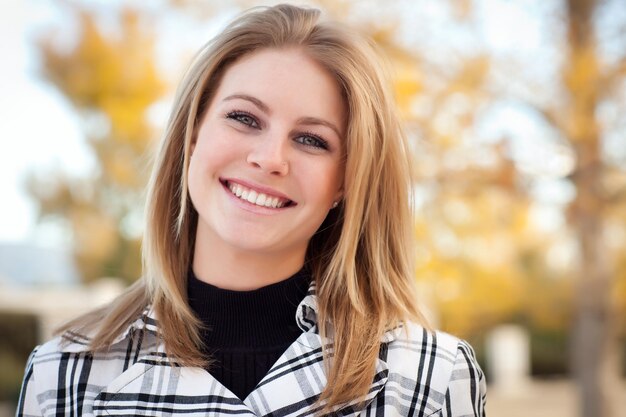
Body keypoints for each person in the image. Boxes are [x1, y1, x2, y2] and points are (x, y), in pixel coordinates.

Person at [17, 4, 486, 416]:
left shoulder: (433, 380)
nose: (269, 158)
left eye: (311, 140)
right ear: (193, 133)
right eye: (244, 118)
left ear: (346, 181)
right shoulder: (62, 375)